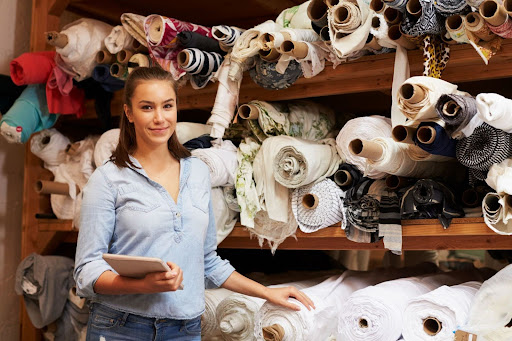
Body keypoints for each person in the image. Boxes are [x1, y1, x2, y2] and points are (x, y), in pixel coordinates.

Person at [74, 66, 314, 341]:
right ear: (129, 113)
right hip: (121, 327)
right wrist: (141, 284)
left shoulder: (198, 173)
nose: (159, 118)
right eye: (147, 107)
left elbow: (207, 262)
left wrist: (267, 292)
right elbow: (86, 271)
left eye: (167, 106)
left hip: (184, 330)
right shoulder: (107, 178)